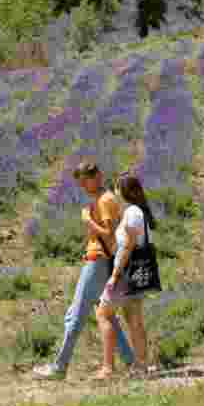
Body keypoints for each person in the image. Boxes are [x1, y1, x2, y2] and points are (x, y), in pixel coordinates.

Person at [32, 161, 136, 380]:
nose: (82, 187)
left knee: (75, 315)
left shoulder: (105, 200)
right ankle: (131, 363)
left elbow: (108, 234)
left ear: (95, 177)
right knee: (108, 316)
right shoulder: (102, 199)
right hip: (102, 262)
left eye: (83, 182)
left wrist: (88, 220)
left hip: (97, 262)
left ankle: (59, 368)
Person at [95, 171, 155, 379]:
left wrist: (114, 274)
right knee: (134, 319)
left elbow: (128, 246)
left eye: (116, 187)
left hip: (125, 273)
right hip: (139, 273)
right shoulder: (140, 212)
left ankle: (108, 368)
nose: (114, 191)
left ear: (123, 191)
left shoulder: (131, 213)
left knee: (103, 313)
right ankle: (141, 366)